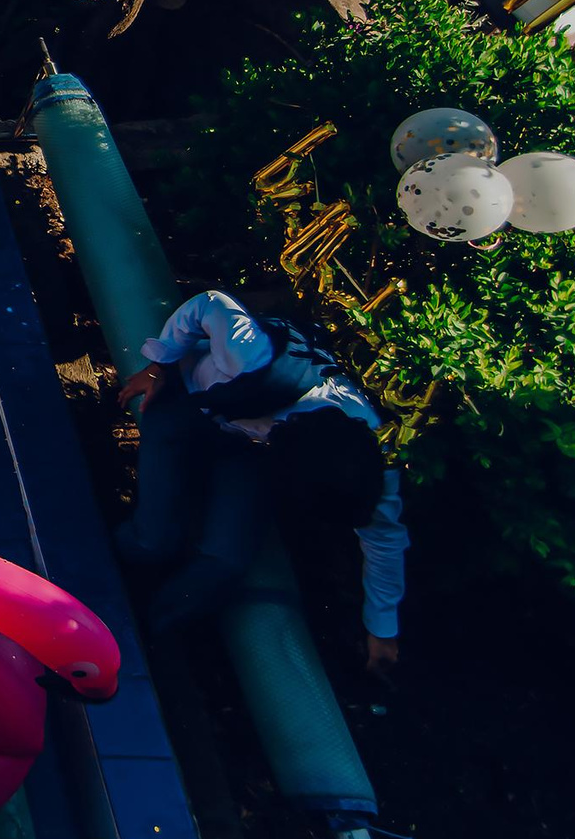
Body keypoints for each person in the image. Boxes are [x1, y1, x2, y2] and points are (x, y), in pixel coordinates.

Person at [114, 289, 407, 675]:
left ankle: (141, 638)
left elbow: (383, 538)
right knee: (154, 541)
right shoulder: (251, 360)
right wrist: (159, 363)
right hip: (188, 408)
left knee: (225, 561)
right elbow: (209, 303)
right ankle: (103, 566)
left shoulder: (360, 461)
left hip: (245, 448)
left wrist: (381, 630)